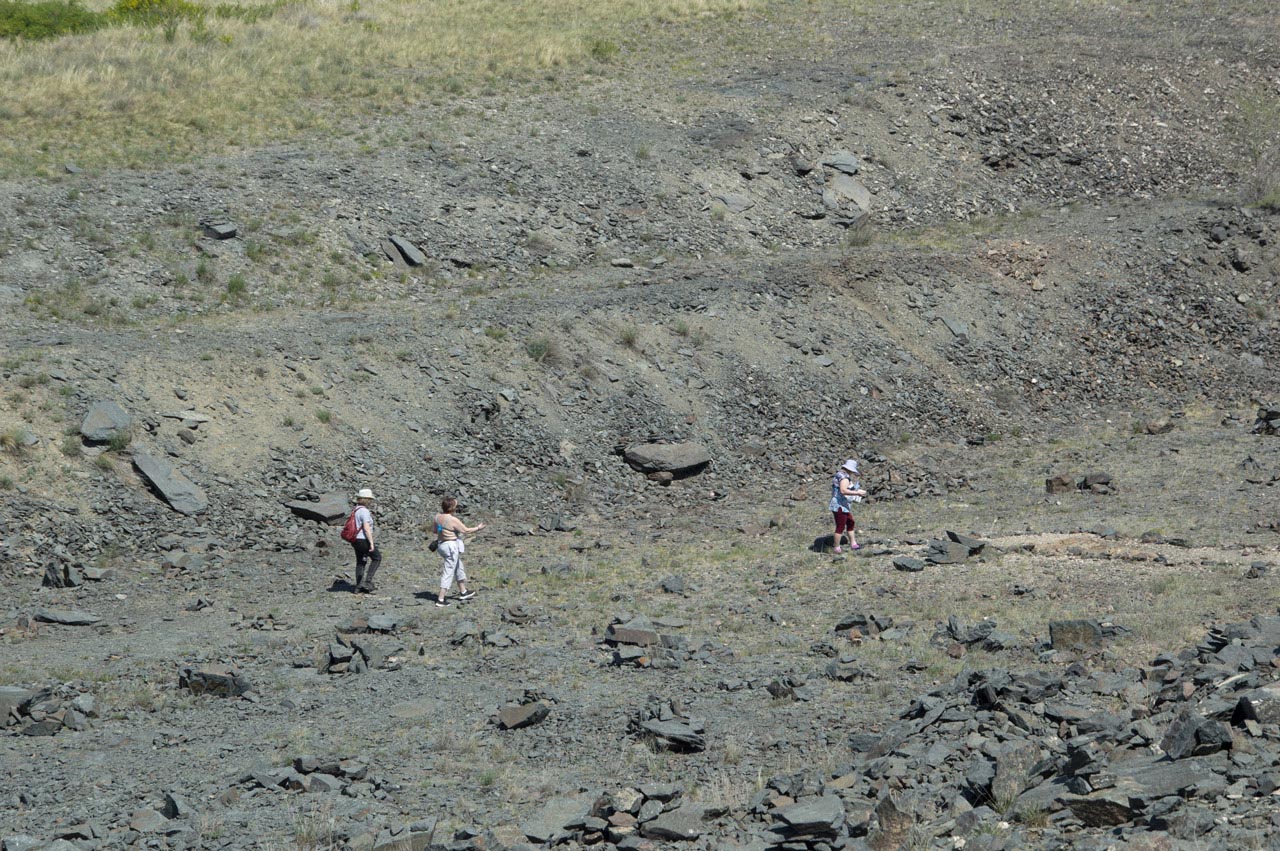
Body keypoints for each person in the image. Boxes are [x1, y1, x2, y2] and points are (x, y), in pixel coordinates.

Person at [433, 496, 485, 608]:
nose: (457, 507)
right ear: (451, 507)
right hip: (451, 546)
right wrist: (478, 528)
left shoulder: (437, 517)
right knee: (448, 571)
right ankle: (440, 599)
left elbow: (434, 531)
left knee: (458, 566)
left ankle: (463, 592)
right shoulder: (452, 519)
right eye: (455, 505)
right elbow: (465, 530)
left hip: (441, 545)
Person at [829, 459, 867, 554]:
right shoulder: (844, 477)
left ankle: (853, 543)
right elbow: (843, 490)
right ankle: (837, 547)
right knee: (840, 526)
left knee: (850, 522)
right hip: (840, 505)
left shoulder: (839, 474)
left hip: (841, 504)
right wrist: (857, 493)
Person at [351, 488, 381, 593]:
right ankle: (368, 582)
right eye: (369, 499)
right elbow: (366, 528)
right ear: (366, 500)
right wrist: (371, 543)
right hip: (363, 539)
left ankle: (358, 587)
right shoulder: (364, 511)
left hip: (355, 540)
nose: (370, 501)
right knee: (377, 557)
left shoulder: (355, 510)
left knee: (360, 562)